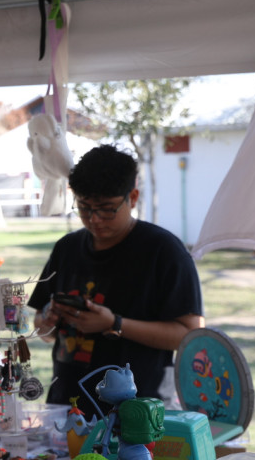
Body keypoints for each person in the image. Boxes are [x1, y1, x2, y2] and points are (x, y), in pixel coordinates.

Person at [28, 144, 204, 410]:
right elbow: (43, 330)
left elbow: (190, 335)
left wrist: (114, 323)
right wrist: (48, 319)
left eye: (107, 208)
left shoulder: (163, 251)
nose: (94, 219)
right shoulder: (66, 249)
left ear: (132, 198)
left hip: (137, 412)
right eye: (84, 207)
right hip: (66, 406)